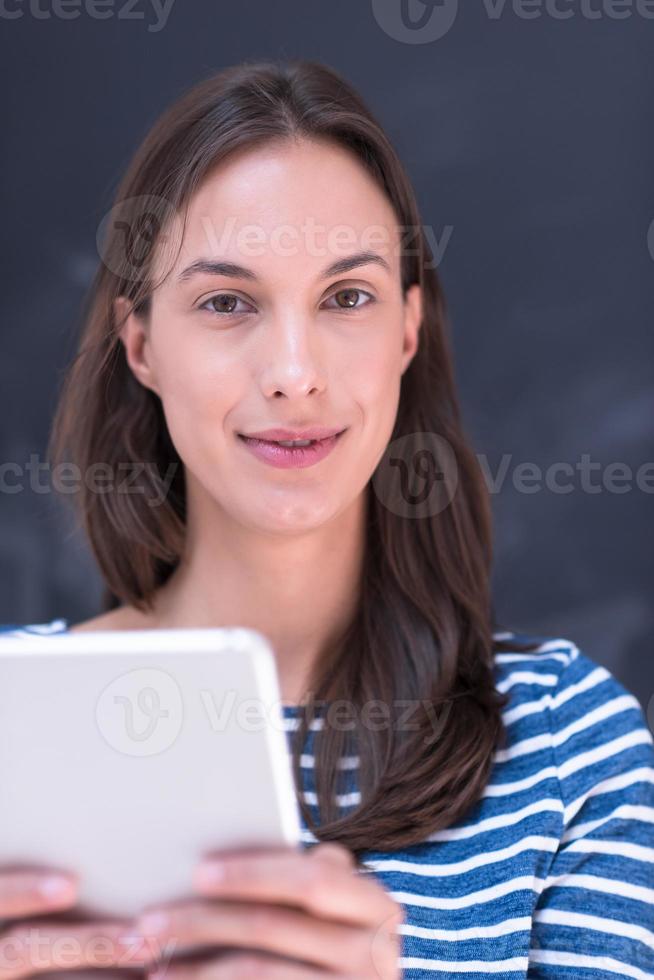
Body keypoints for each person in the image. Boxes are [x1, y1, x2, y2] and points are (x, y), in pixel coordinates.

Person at [2, 60, 653, 979]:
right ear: (141, 345)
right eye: (227, 302)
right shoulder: (11, 720)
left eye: (347, 298)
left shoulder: (565, 743)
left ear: (405, 331)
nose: (294, 372)